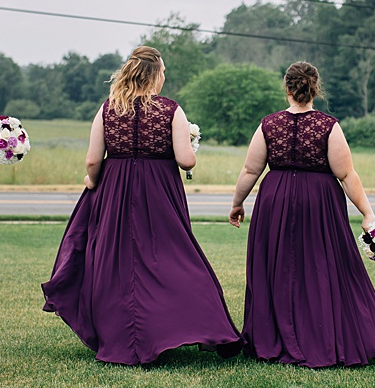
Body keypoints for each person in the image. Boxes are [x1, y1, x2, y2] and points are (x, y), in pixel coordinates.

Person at [41, 46, 242, 365]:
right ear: (153, 76)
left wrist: (92, 180)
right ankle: (193, 326)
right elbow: (185, 159)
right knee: (175, 256)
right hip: (157, 191)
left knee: (117, 262)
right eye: (163, 72)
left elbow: (93, 159)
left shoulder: (108, 108)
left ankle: (121, 335)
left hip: (116, 189)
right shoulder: (171, 110)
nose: (165, 77)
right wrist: (189, 147)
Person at [229, 62, 375, 367]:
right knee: (324, 267)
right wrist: (367, 214)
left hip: (276, 200)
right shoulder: (328, 126)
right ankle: (325, 336)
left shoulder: (268, 125)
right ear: (315, 89)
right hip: (319, 202)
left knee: (278, 268)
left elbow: (250, 170)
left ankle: (275, 336)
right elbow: (347, 175)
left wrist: (237, 203)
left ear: (287, 88)